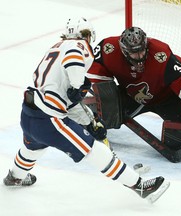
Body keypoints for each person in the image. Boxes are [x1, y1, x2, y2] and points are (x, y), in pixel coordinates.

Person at [3, 18, 169, 203]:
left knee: (31, 149)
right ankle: (140, 186)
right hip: (49, 120)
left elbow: (68, 100)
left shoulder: (55, 47)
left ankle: (15, 176)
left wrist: (89, 121)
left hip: (29, 113)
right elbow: (74, 59)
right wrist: (78, 83)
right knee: (94, 151)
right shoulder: (77, 45)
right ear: (87, 35)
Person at [86, 26, 181, 130]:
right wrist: (106, 97)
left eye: (142, 51)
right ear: (124, 51)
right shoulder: (109, 49)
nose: (139, 57)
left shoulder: (160, 54)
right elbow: (94, 68)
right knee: (102, 119)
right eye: (134, 53)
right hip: (131, 97)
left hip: (166, 99)